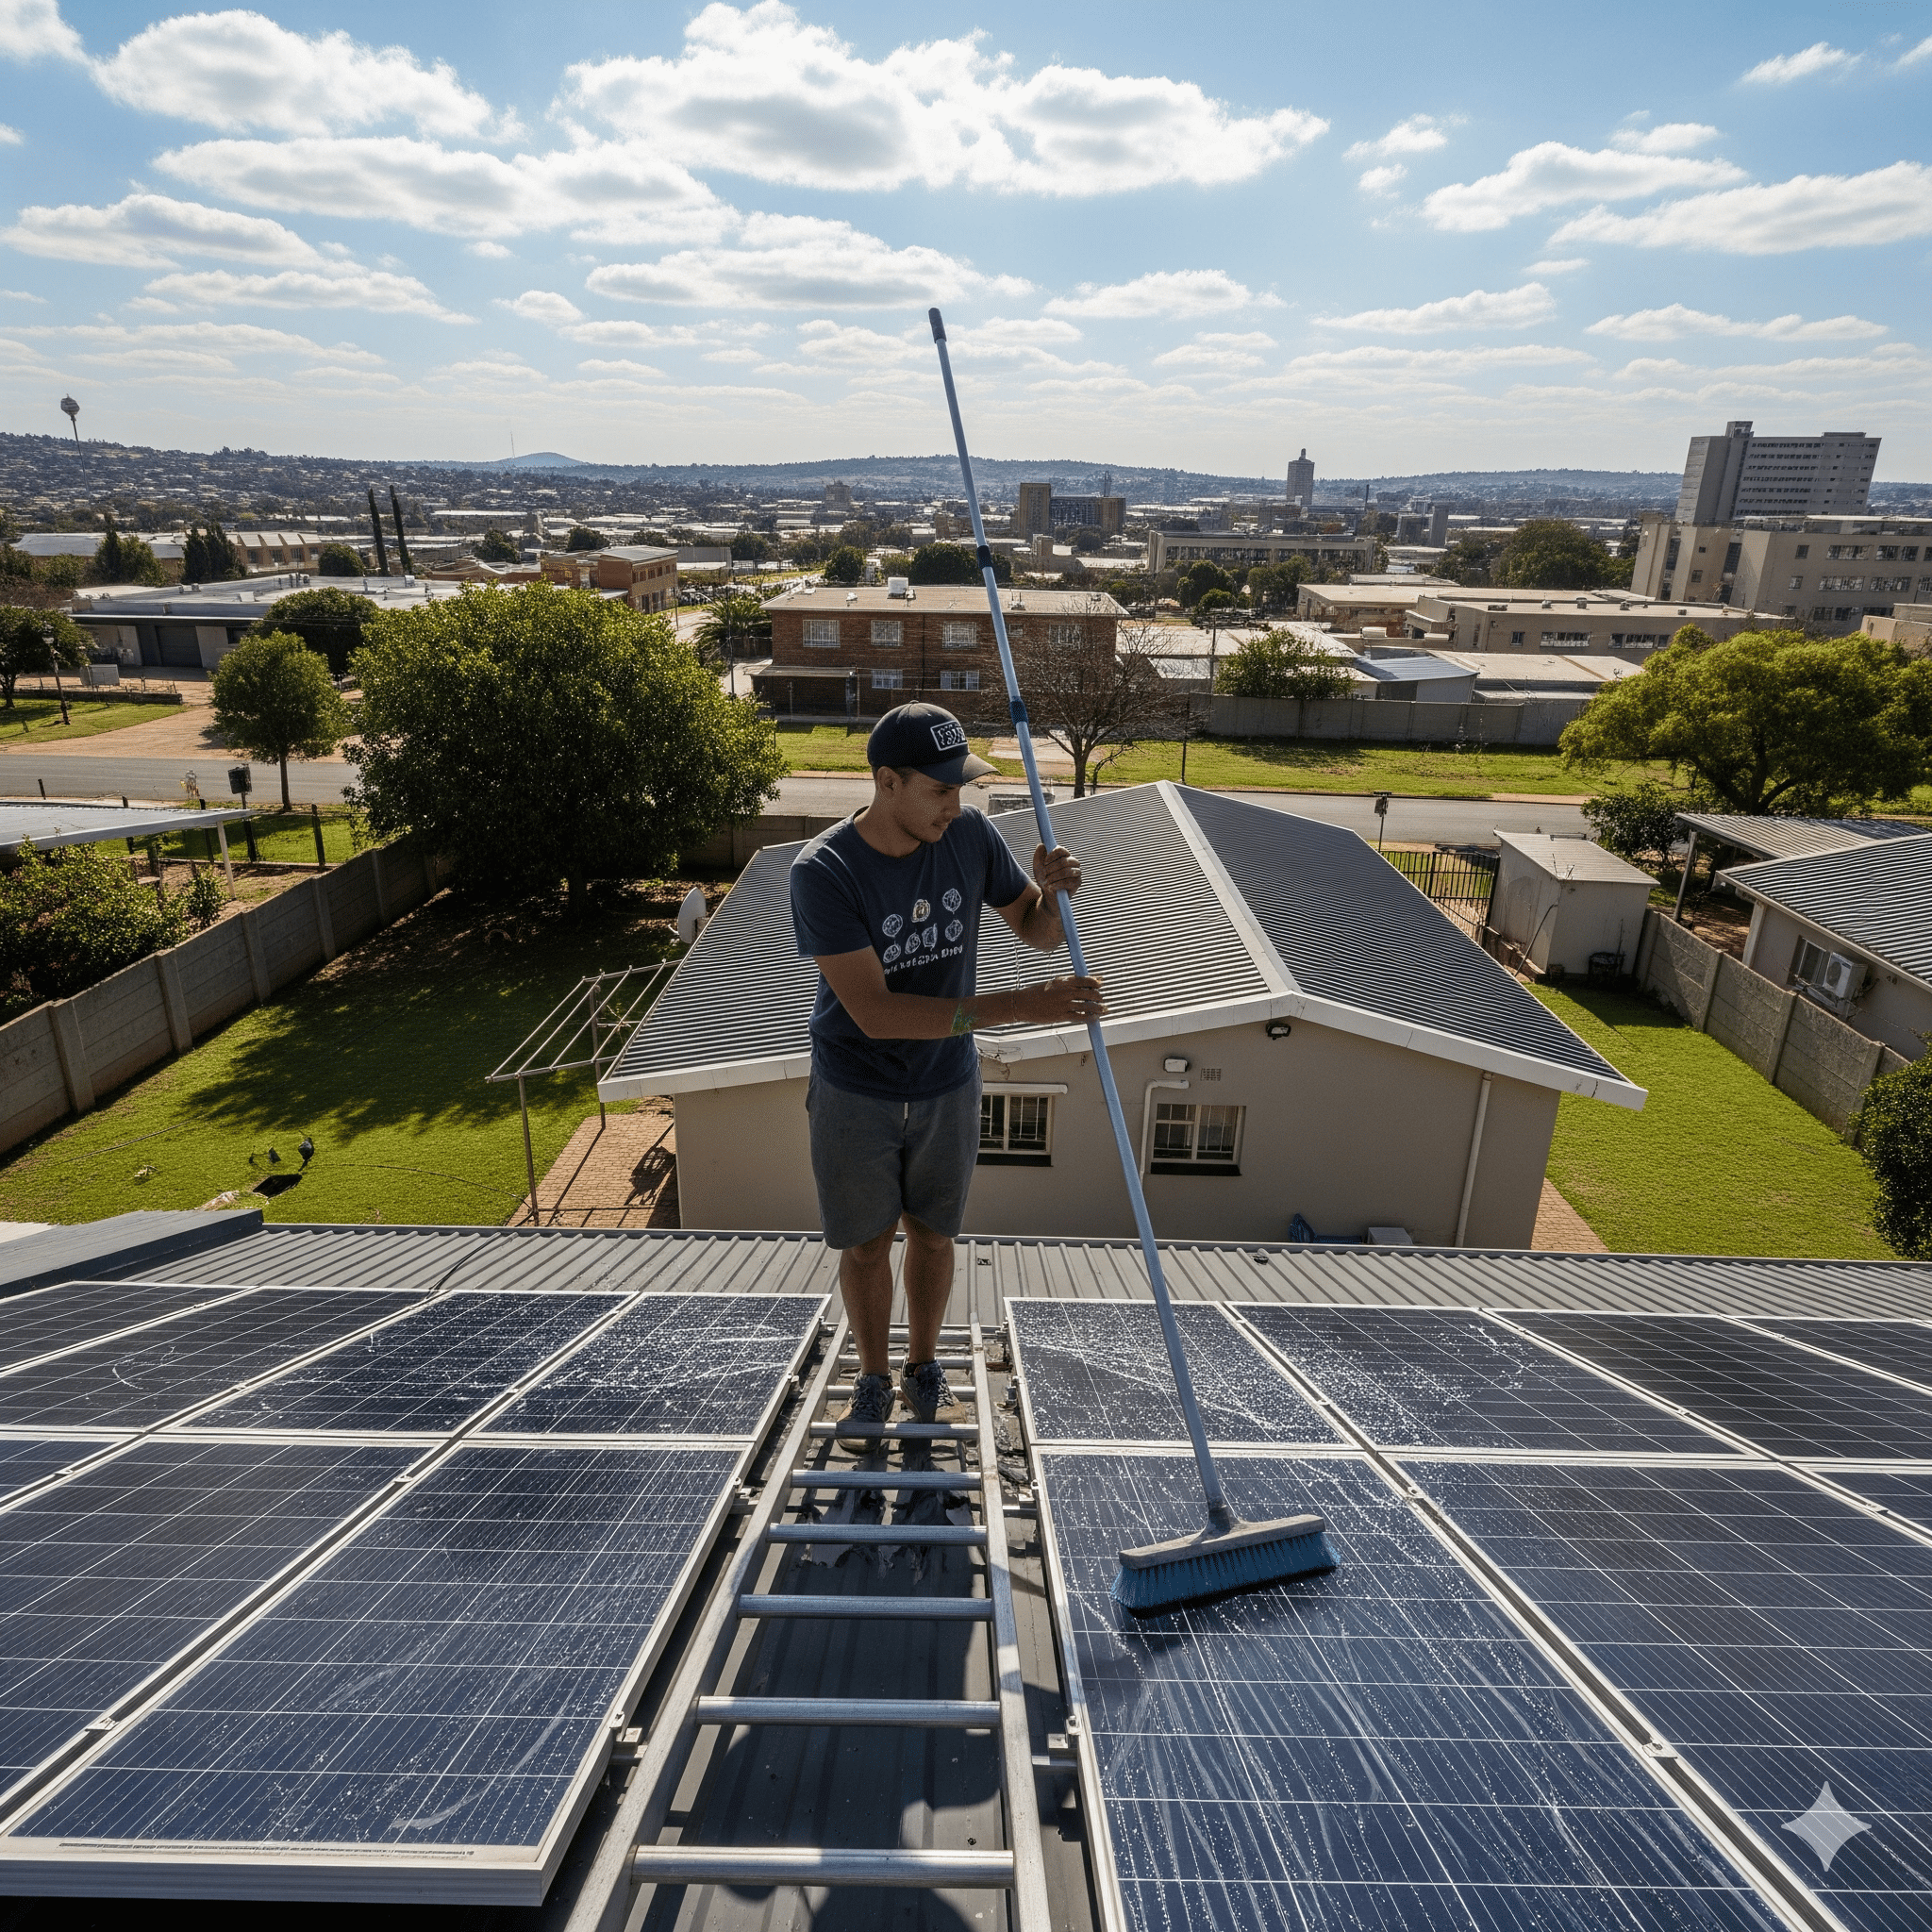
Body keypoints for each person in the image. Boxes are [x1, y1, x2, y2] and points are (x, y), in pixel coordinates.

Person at [790, 702, 1104, 1444]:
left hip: (945, 1084)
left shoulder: (967, 836)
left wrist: (1054, 900)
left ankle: (923, 1366)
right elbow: (875, 1012)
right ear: (886, 781)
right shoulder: (825, 872)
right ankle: (872, 1377)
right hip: (855, 1085)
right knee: (866, 1244)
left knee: (932, 1235)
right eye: (939, 789)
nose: (954, 804)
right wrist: (1025, 1008)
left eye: (959, 787)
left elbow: (1034, 932)